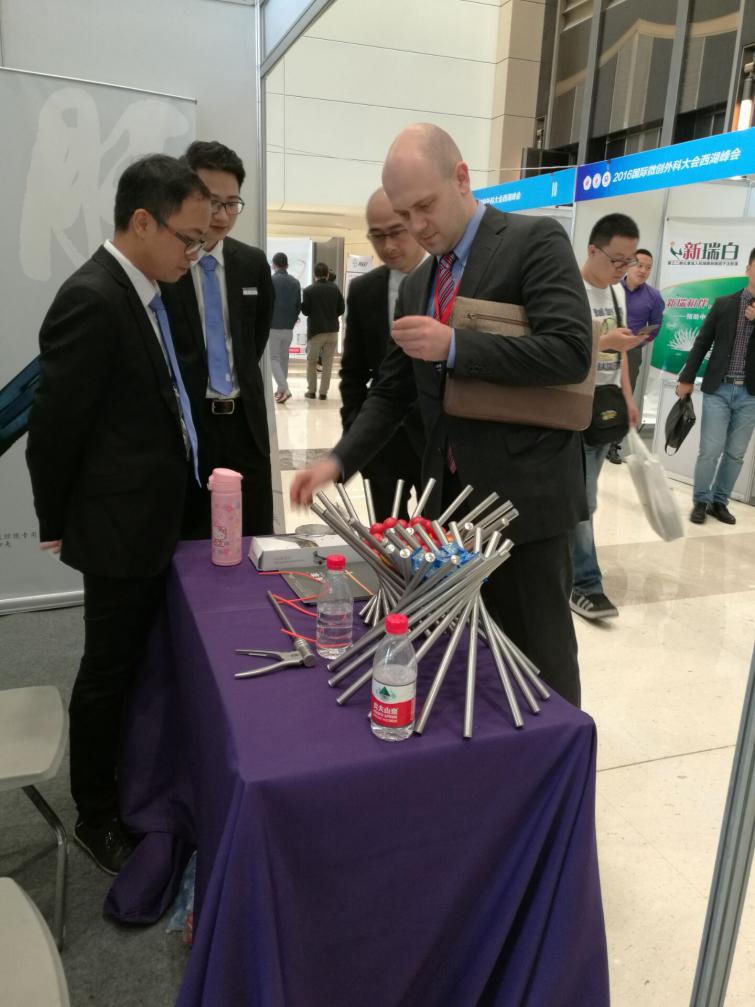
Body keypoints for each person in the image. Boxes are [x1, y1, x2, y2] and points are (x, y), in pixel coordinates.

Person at [291, 123, 593, 707]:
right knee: (466, 657)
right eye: (405, 215)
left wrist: (455, 345)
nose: (418, 226)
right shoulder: (419, 285)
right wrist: (337, 460)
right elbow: (392, 392)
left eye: (425, 206)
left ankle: (555, 761)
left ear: (461, 178)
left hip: (524, 503)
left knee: (541, 661)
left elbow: (569, 350)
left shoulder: (533, 241)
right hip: (448, 509)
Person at [26, 154, 211, 874]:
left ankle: (136, 778)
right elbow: (54, 429)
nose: (194, 253)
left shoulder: (145, 291)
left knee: (138, 659)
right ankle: (94, 811)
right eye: (187, 238)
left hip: (155, 516)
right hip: (117, 527)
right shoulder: (93, 298)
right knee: (107, 669)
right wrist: (57, 521)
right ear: (142, 222)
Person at [161, 140, 274, 538]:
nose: (223, 216)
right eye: (212, 202)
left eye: (232, 203)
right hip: (189, 427)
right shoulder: (166, 266)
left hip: (244, 424)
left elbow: (254, 339)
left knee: (254, 537)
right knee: (190, 539)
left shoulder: (252, 263)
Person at [570, 214, 643, 621]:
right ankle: (585, 584)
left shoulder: (617, 295)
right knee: (582, 501)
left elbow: (621, 355)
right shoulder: (568, 290)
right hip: (571, 409)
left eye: (628, 262)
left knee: (582, 499)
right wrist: (602, 341)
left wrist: (629, 398)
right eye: (617, 260)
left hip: (605, 409)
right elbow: (557, 349)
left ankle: (567, 573)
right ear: (592, 250)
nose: (622, 269)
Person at [339, 188, 424, 519]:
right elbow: (353, 371)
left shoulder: (447, 280)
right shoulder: (364, 290)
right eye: (377, 236)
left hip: (437, 441)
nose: (388, 246)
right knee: (387, 532)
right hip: (382, 443)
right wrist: (355, 429)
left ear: (415, 224)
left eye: (396, 232)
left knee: (442, 536)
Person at [678, 247, 755, 526]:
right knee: (710, 450)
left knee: (736, 454)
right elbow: (702, 342)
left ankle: (719, 502)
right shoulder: (724, 304)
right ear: (748, 269)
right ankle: (701, 501)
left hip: (750, 394)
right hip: (719, 389)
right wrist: (686, 378)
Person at [606, 248, 666, 463]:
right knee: (599, 390)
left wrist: (639, 341)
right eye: (640, 265)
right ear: (630, 265)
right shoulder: (611, 288)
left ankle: (613, 445)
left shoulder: (654, 297)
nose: (643, 271)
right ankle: (587, 437)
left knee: (624, 396)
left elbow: (655, 327)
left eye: (648, 268)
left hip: (631, 352)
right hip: (605, 346)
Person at [301, 262, 344, 400]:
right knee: (328, 362)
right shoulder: (335, 289)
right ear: (327, 274)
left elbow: (305, 311)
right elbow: (341, 309)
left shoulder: (308, 290)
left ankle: (311, 391)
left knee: (311, 361)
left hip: (316, 331)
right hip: (332, 331)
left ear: (314, 275)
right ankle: (323, 392)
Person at [269, 251, 301, 403]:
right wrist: (292, 321)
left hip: (273, 327)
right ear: (287, 265)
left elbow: (266, 304)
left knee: (273, 359)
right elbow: (298, 306)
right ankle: (281, 390)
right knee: (284, 359)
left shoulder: (270, 281)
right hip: (289, 328)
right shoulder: (295, 282)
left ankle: (284, 388)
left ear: (273, 265)